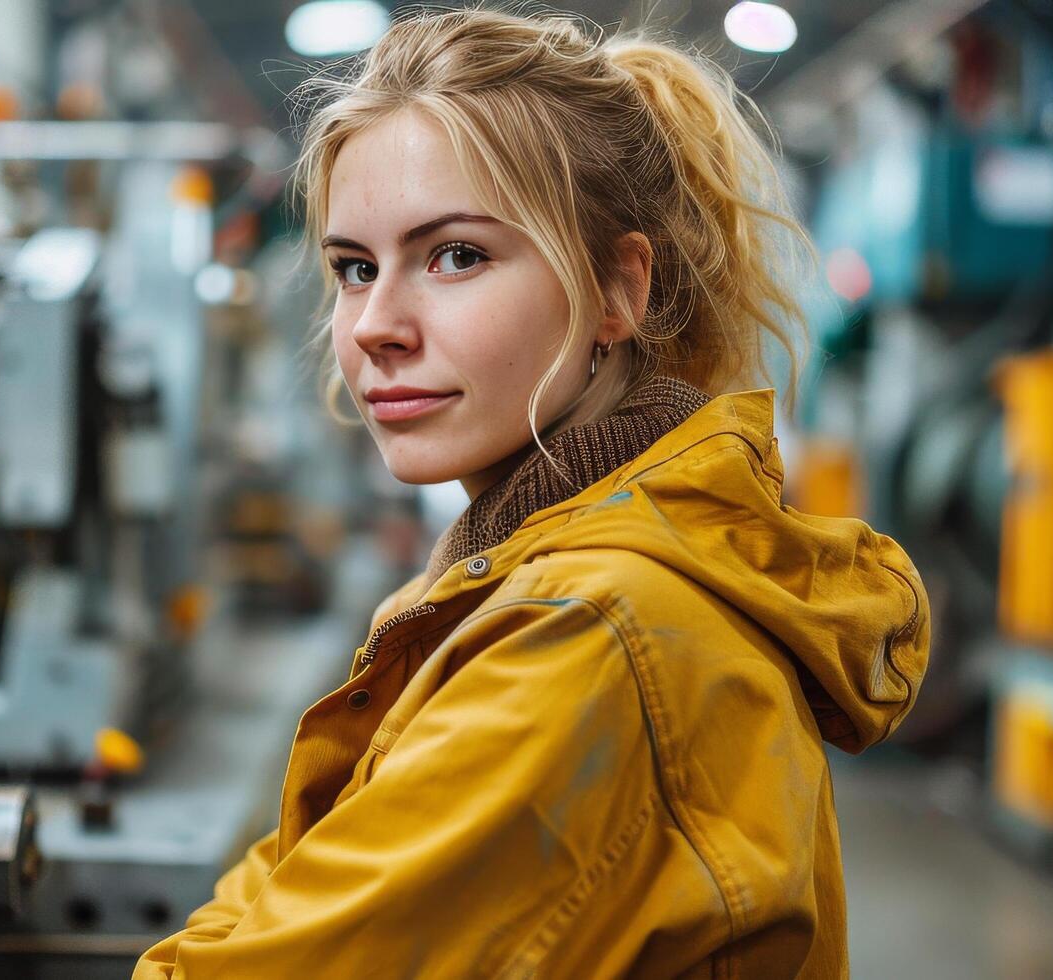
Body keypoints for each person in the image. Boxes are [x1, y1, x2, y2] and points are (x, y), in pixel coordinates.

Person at [134, 8, 929, 978]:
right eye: (353, 268)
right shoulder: (525, 570)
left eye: (456, 255)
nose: (376, 324)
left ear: (616, 290)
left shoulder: (588, 631)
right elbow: (297, 876)